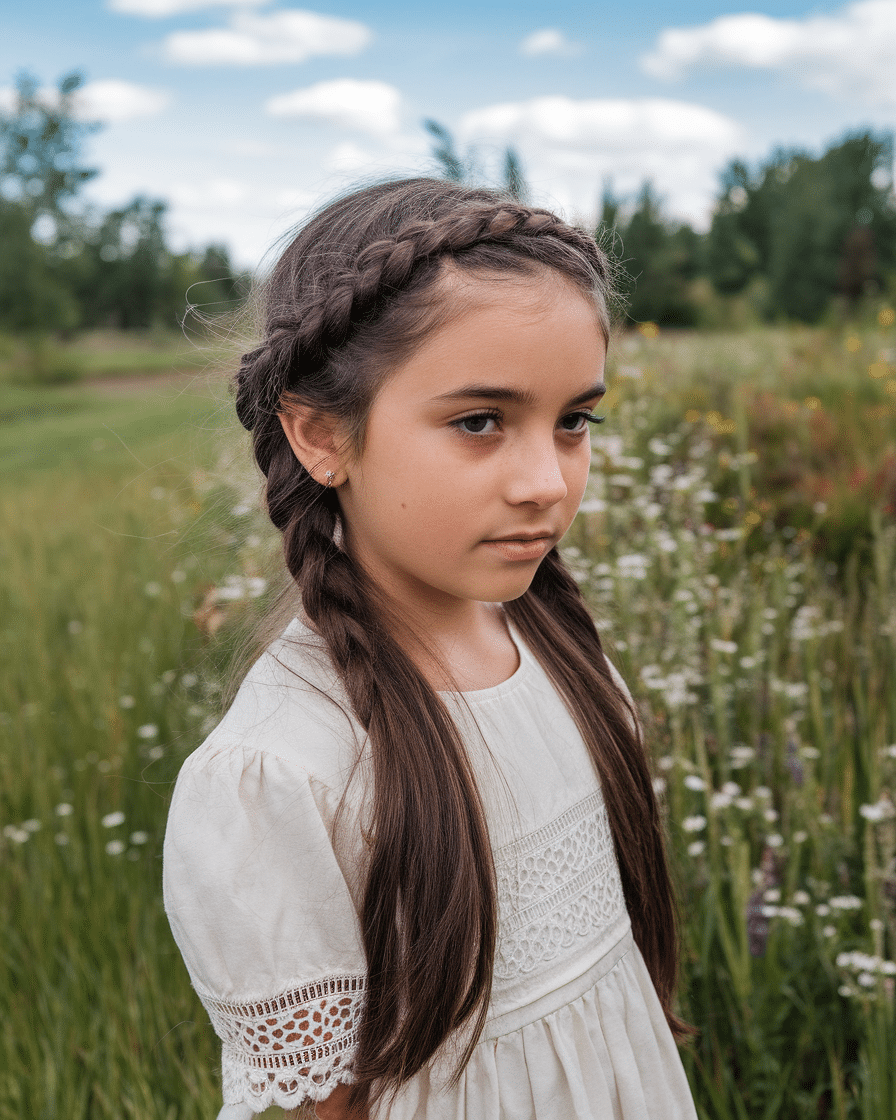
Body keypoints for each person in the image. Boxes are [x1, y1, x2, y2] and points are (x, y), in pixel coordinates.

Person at [163, 177, 697, 1120]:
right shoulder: (286, 771)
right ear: (322, 435)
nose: (546, 482)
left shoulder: (566, 658)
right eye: (480, 422)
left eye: (574, 420)